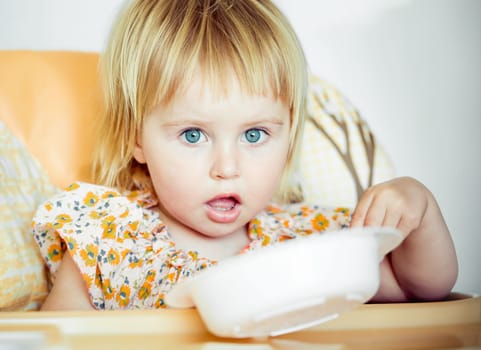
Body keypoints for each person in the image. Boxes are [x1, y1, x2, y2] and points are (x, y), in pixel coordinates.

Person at [32, 0, 458, 311]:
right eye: (194, 134)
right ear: (135, 137)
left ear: (289, 133)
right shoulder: (110, 239)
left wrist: (420, 211)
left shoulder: (306, 242)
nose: (227, 168)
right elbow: (60, 339)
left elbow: (418, 288)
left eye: (254, 134)